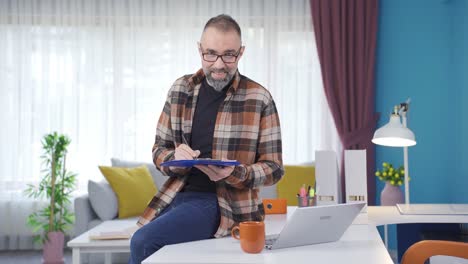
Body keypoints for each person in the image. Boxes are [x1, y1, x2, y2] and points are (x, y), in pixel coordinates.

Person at [129, 14, 284, 264]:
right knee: (147, 245)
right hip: (175, 195)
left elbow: (274, 169)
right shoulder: (180, 90)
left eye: (229, 55)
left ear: (241, 53)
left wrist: (236, 173)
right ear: (199, 49)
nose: (219, 65)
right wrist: (173, 156)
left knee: (143, 241)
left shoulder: (259, 98)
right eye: (210, 54)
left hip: (225, 204)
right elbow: (159, 150)